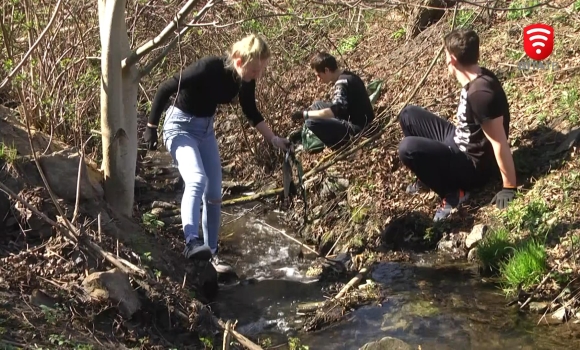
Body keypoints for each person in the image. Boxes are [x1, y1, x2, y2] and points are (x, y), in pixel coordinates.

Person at [143, 34, 290, 274]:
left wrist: (273, 139)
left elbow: (251, 110)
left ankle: (211, 255)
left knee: (213, 194)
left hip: (205, 130)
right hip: (179, 126)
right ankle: (191, 242)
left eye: (260, 71)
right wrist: (151, 127)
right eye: (254, 70)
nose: (257, 76)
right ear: (238, 61)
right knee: (197, 179)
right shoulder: (209, 67)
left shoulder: (246, 79)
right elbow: (166, 87)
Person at [397, 28, 517, 222]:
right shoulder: (478, 76)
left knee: (407, 148)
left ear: (452, 59)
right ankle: (427, 176)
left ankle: (454, 193)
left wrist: (509, 187)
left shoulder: (480, 94)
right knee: (408, 114)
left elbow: (499, 142)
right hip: (458, 139)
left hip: (470, 165)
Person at [290, 52, 374, 150]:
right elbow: (340, 107)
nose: (318, 80)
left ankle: (337, 144)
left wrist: (304, 114)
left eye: (319, 75)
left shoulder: (342, 84)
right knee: (317, 105)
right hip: (352, 115)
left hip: (359, 127)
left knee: (311, 122)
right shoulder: (346, 75)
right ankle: (304, 134)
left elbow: (333, 112)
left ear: (326, 70)